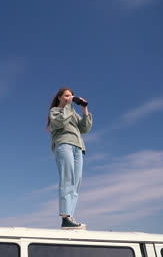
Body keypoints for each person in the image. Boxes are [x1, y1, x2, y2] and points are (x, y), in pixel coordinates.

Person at [48, 87, 93, 229]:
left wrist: (84, 109)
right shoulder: (55, 111)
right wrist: (69, 105)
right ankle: (65, 216)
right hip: (64, 145)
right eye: (67, 95)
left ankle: (70, 217)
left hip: (78, 148)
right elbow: (60, 122)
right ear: (60, 97)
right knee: (67, 179)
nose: (70, 97)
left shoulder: (72, 113)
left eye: (72, 95)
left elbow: (85, 129)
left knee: (76, 183)